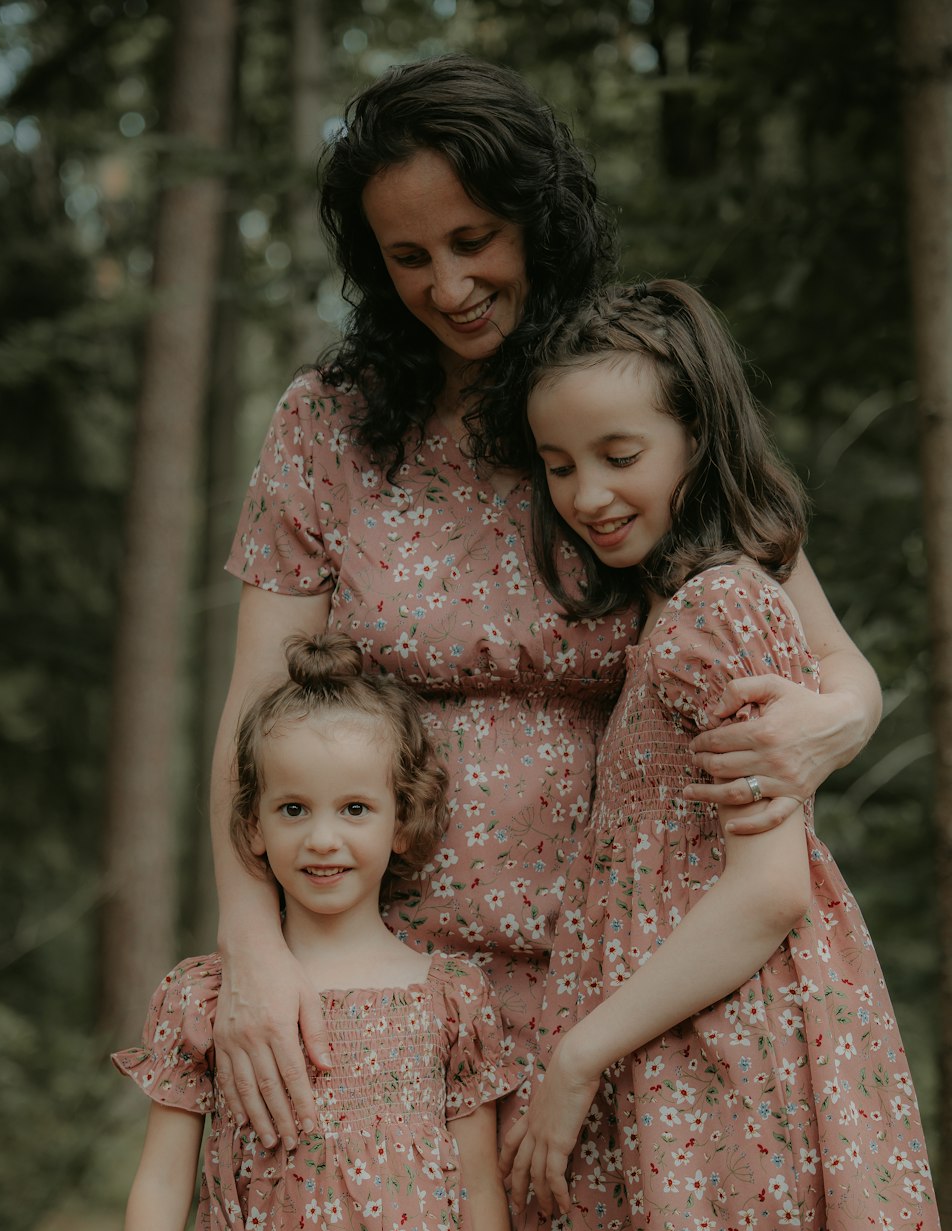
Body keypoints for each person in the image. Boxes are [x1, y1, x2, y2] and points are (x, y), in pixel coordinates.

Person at [212, 55, 883, 1161]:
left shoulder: (612, 403)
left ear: (539, 218)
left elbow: (837, 666)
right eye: (409, 256)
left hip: (622, 980)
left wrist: (835, 724)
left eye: (474, 240)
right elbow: (254, 712)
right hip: (382, 964)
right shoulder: (327, 423)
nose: (447, 284)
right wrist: (252, 948)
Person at [500, 280, 952, 1231]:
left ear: (697, 439)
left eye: (618, 455)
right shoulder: (677, 611)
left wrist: (576, 1055)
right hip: (681, 1047)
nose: (587, 494)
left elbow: (768, 894)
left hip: (721, 1056)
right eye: (555, 465)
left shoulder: (725, 610)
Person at [103, 633, 523, 1231]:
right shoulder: (210, 1001)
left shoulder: (450, 999)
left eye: (354, 810)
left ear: (404, 821)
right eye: (293, 809)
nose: (322, 838)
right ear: (251, 827)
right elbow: (159, 1185)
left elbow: (480, 1190)